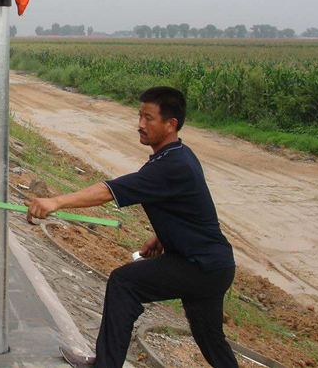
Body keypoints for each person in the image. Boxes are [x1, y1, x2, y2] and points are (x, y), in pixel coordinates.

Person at [27, 87, 237, 368]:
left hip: (199, 265)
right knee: (210, 339)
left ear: (170, 124)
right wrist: (161, 237)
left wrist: (55, 202)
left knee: (124, 283)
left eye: (148, 118)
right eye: (139, 116)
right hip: (214, 265)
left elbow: (108, 191)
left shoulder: (170, 165)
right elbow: (189, 209)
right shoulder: (179, 155)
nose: (140, 124)